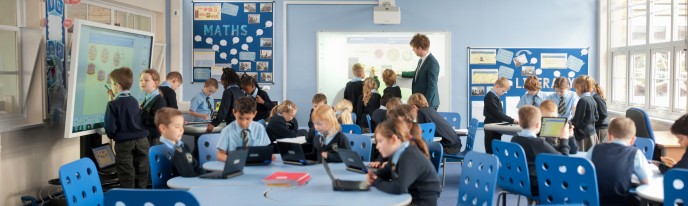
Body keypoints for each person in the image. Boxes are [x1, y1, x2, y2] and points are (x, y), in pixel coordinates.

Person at [367, 119, 441, 206]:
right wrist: (374, 175)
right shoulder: (397, 153)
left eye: (380, 141)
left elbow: (399, 187)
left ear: (394, 139)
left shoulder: (409, 155)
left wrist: (376, 182)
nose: (377, 147)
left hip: (420, 202)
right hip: (410, 197)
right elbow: (387, 171)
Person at [586, 117, 652, 205]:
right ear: (633, 140)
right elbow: (646, 181)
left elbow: (583, 172)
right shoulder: (635, 153)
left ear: (609, 136)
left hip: (593, 201)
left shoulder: (594, 149)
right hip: (620, 202)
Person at [104, 67, 150, 188]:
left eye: (111, 83)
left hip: (125, 144)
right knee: (142, 173)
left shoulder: (112, 105)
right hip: (143, 141)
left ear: (117, 86)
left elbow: (110, 128)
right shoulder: (134, 101)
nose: (111, 86)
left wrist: (113, 136)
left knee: (126, 175)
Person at [510, 105, 570, 196]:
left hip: (518, 181)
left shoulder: (514, 139)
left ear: (520, 123)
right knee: (569, 180)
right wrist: (564, 138)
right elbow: (563, 160)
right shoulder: (537, 142)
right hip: (536, 185)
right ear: (538, 124)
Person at [216, 96, 270, 162]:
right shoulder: (227, 131)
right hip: (235, 165)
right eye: (240, 118)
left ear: (254, 114)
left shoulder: (260, 128)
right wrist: (236, 160)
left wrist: (269, 156)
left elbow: (265, 151)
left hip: (255, 165)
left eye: (248, 119)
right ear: (234, 112)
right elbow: (220, 155)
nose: (244, 123)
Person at [156, 108, 203, 177]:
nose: (181, 129)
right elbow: (186, 174)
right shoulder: (167, 151)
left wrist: (206, 175)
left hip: (192, 179)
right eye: (177, 126)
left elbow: (196, 165)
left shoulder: (184, 146)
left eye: (182, 126)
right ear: (163, 128)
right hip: (181, 183)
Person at [400, 33, 440, 110]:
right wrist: (400, 73)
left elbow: (432, 85)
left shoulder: (432, 63)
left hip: (428, 104)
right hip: (420, 103)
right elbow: (416, 73)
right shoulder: (421, 60)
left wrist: (426, 103)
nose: (413, 50)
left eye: (414, 48)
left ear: (420, 48)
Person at [207, 68, 246, 133]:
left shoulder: (228, 91)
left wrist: (213, 124)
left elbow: (223, 111)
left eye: (222, 84)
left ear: (225, 81)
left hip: (232, 125)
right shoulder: (241, 91)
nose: (223, 86)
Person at [484, 77, 516, 154]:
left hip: (495, 126)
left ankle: (495, 165)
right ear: (497, 87)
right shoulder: (490, 96)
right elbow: (498, 113)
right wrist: (512, 120)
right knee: (491, 151)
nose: (503, 93)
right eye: (503, 91)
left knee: (496, 150)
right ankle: (489, 165)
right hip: (491, 127)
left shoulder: (495, 96)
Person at [139, 69, 167, 146]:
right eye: (141, 80)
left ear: (156, 83)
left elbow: (155, 121)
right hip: (146, 137)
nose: (142, 82)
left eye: (146, 80)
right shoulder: (147, 98)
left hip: (153, 139)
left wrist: (139, 112)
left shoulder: (159, 100)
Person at [571, 75, 599, 151]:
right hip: (592, 133)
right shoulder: (591, 99)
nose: (575, 91)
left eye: (575, 89)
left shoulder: (582, 101)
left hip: (583, 135)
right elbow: (596, 117)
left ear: (579, 88)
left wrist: (569, 123)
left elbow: (577, 121)